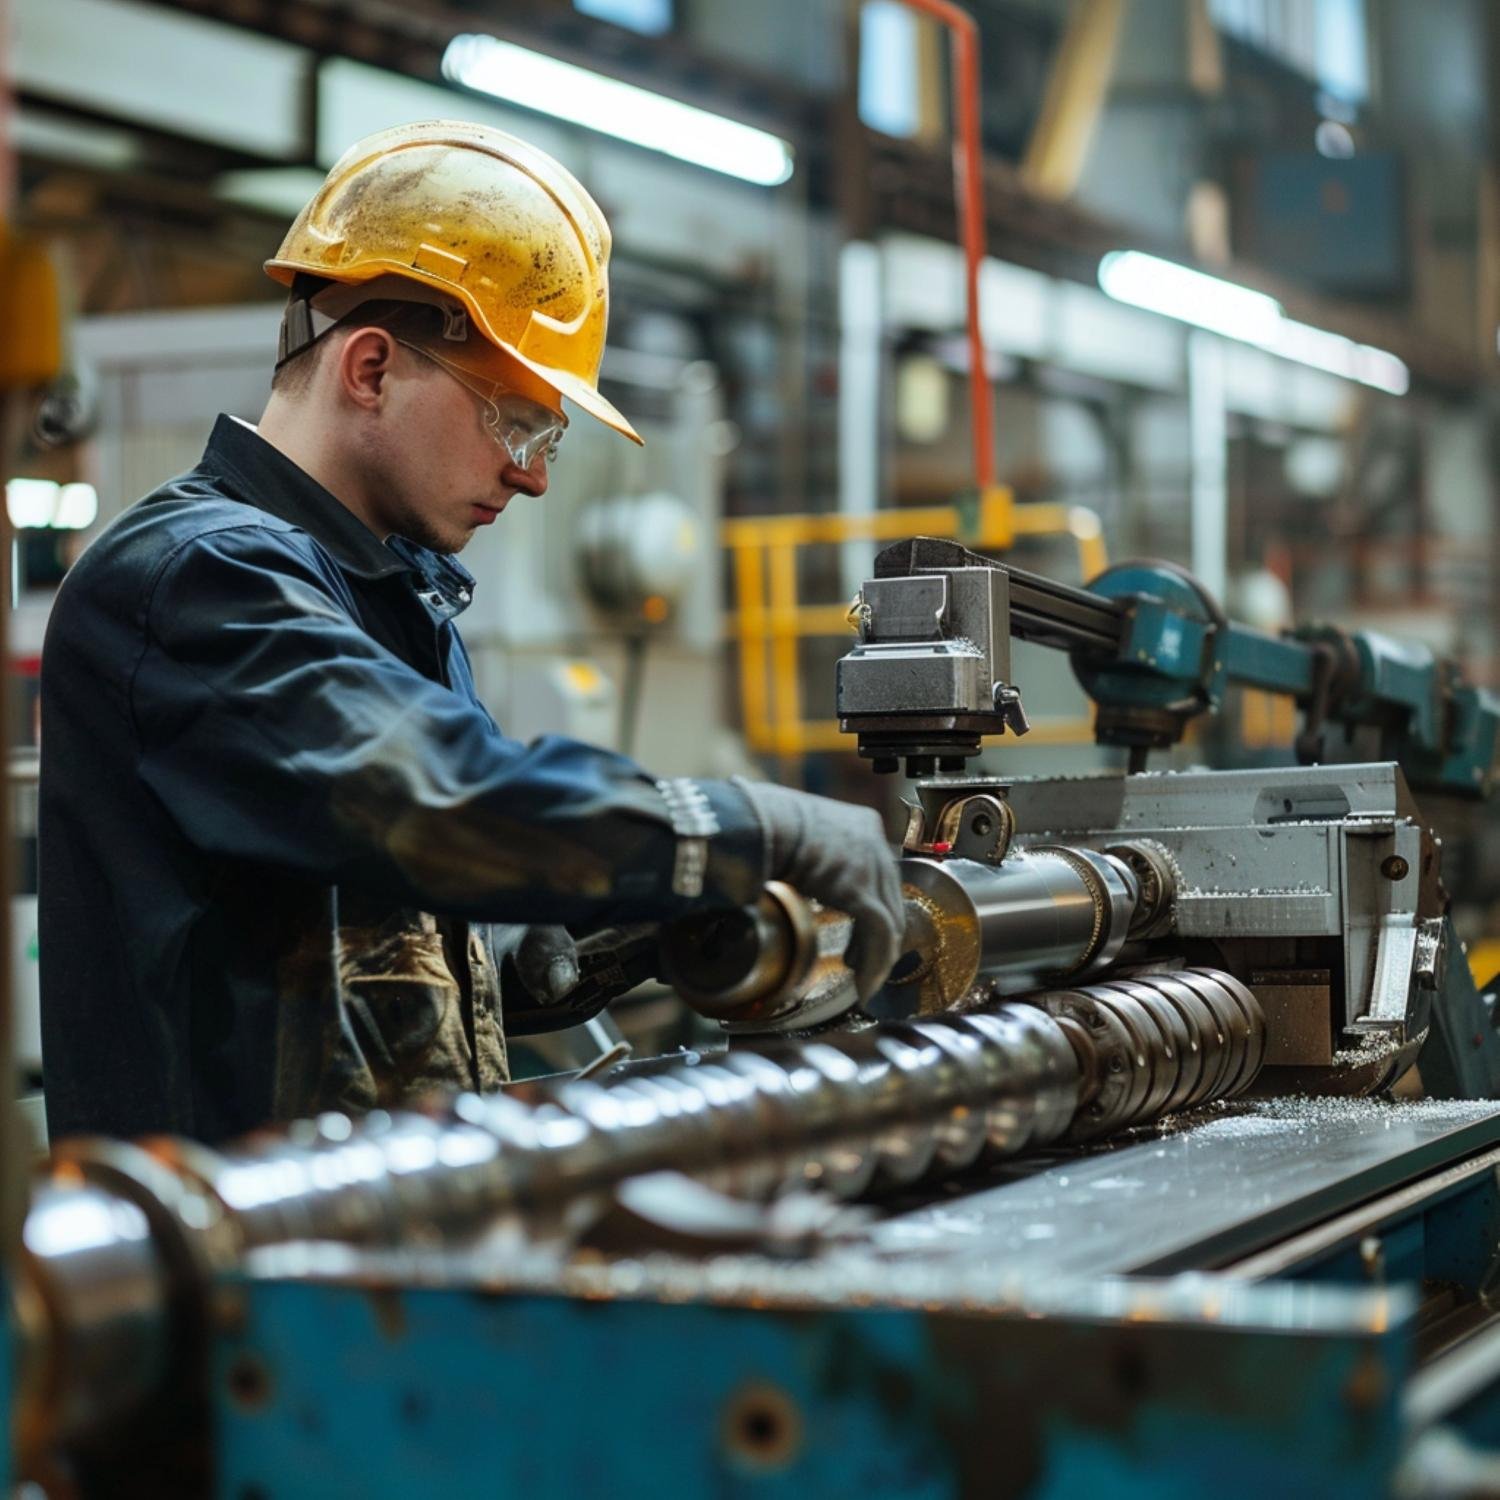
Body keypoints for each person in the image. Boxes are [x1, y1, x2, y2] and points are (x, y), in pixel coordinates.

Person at [38, 120, 905, 1144]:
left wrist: (579, 950)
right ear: (369, 368)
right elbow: (425, 801)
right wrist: (744, 829)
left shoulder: (397, 596)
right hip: (226, 1261)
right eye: (516, 421)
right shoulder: (196, 575)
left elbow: (351, 940)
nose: (533, 473)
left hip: (375, 1230)